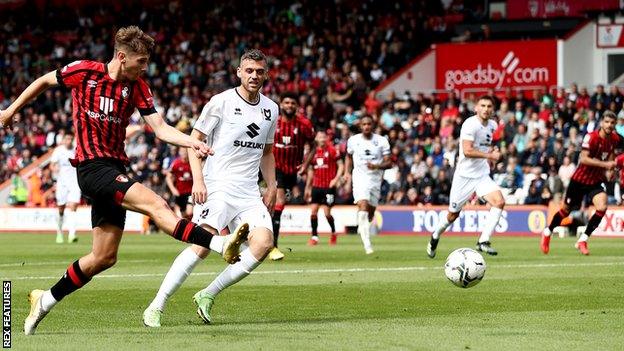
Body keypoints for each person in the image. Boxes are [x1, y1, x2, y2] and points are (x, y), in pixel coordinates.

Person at [0, 26, 247, 336]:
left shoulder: (138, 87)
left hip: (114, 167)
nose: (145, 67)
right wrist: (11, 109)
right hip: (92, 168)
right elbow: (44, 80)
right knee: (157, 204)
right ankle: (219, 243)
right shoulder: (84, 71)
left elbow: (159, 127)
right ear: (121, 57)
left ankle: (45, 299)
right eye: (141, 61)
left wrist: (191, 142)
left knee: (103, 257)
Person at [143, 49, 277, 327]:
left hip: (249, 191)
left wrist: (272, 185)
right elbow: (195, 141)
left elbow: (266, 152)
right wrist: (198, 180)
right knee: (202, 245)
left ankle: (208, 293)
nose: (254, 76)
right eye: (249, 70)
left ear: (266, 74)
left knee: (263, 244)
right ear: (239, 72)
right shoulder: (221, 102)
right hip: (217, 185)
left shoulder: (271, 109)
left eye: (259, 71)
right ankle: (156, 305)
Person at [427, 95, 504, 258]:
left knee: (499, 202)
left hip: (482, 174)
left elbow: (488, 145)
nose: (486, 109)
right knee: (452, 214)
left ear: (493, 109)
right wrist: (490, 156)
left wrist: (493, 152)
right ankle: (435, 235)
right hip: (464, 176)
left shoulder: (493, 125)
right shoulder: (470, 124)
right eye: (482, 105)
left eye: (489, 106)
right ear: (476, 108)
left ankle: (483, 241)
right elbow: (468, 151)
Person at [541, 111, 620, 255]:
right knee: (565, 211)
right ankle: (548, 232)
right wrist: (605, 165)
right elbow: (583, 159)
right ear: (601, 123)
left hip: (595, 180)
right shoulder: (591, 137)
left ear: (615, 124)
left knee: (602, 206)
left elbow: (612, 154)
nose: (609, 125)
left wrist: (610, 170)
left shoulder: (614, 139)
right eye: (607, 122)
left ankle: (582, 240)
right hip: (579, 180)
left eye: (612, 123)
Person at [270, 92, 315, 260]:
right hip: (275, 167)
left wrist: (305, 164)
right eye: (286, 102)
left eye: (292, 103)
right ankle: (273, 247)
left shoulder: (303, 124)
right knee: (279, 202)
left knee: (277, 205)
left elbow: (313, 144)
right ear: (281, 104)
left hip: (293, 170)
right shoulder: (273, 122)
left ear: (296, 105)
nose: (289, 105)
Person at [343, 115, 392, 254]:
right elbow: (348, 156)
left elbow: (389, 163)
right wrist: (347, 172)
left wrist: (376, 166)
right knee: (363, 204)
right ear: (360, 126)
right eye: (364, 124)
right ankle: (367, 244)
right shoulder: (353, 140)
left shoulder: (382, 141)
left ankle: (364, 223)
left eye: (369, 124)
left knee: (370, 212)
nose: (366, 127)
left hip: (375, 179)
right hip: (359, 177)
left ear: (373, 125)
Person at [304, 130, 343, 245]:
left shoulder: (332, 150)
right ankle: (314, 237)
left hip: (328, 187)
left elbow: (340, 165)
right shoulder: (313, 153)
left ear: (326, 138)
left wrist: (335, 179)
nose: (321, 138)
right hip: (316, 186)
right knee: (313, 212)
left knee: (327, 213)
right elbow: (311, 171)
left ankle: (333, 233)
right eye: (319, 136)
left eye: (323, 136)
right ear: (316, 138)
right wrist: (308, 187)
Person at [50, 132, 81, 243]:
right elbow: (52, 165)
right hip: (62, 183)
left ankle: (72, 234)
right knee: (61, 208)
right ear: (63, 140)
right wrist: (55, 169)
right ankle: (59, 233)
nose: (68, 141)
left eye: (70, 139)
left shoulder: (77, 150)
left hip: (74, 182)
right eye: (67, 139)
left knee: (73, 206)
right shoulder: (58, 150)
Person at [165, 147, 193, 220]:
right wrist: (173, 189)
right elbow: (168, 177)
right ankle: (188, 230)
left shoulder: (192, 163)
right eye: (182, 151)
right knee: (184, 214)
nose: (184, 153)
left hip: (191, 192)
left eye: (185, 151)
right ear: (179, 152)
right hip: (180, 193)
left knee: (189, 212)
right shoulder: (176, 163)